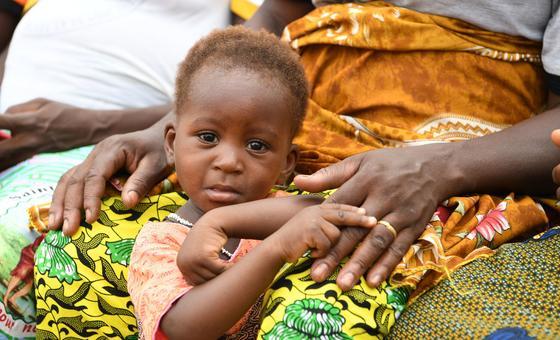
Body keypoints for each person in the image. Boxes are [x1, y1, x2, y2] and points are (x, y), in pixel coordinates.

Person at [39, 0, 560, 338]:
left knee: (319, 316)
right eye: (205, 141)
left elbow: (315, 209)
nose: (223, 160)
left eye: (245, 146)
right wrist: (167, 127)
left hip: (456, 154)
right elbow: (274, 21)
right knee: (69, 245)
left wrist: (444, 167)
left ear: (282, 160)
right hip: (297, 137)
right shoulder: (232, 174)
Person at [127, 26, 388, 339]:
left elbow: (328, 208)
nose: (229, 162)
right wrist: (277, 248)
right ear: (171, 144)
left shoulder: (282, 206)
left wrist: (222, 221)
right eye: (208, 137)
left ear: (286, 164)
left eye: (257, 146)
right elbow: (182, 328)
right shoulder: (160, 242)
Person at [0, 0, 229, 337]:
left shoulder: (251, 12)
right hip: (17, 143)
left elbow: (242, 94)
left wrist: (92, 125)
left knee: (30, 230)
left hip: (122, 145)